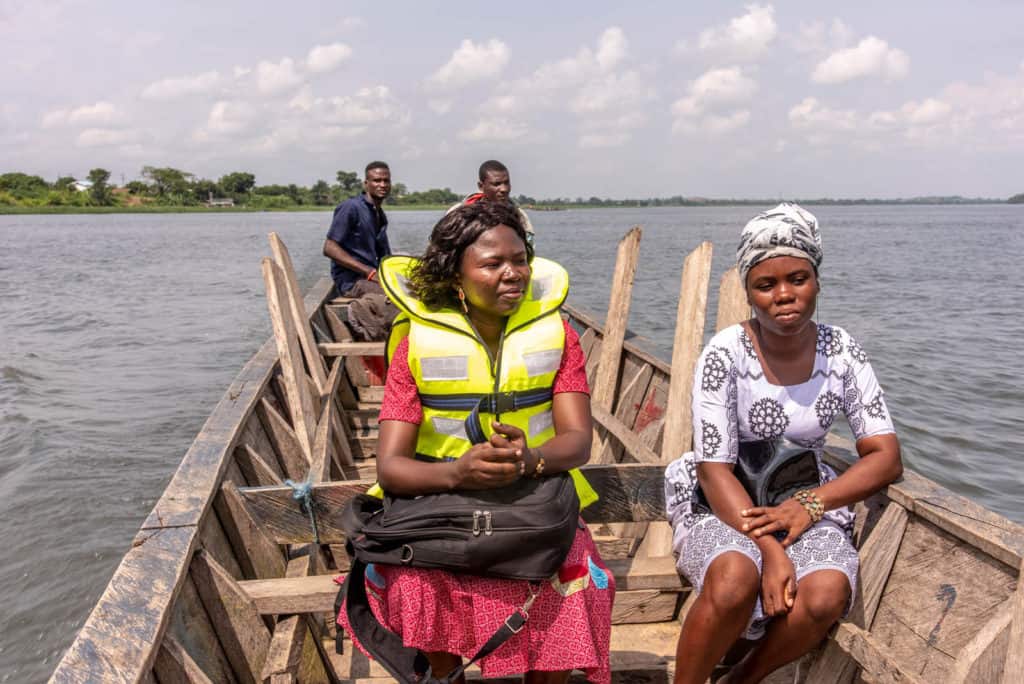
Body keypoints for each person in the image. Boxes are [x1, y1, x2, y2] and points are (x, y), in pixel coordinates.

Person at [338, 201, 614, 684]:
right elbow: (391, 468)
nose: (513, 274)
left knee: (572, 574)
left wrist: (530, 459)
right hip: (439, 499)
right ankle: (446, 675)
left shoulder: (560, 335)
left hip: (534, 497)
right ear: (455, 276)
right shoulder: (412, 342)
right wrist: (458, 472)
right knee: (417, 581)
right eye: (492, 264)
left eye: (520, 260)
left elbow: (577, 442)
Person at [665, 203, 903, 684]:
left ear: (817, 280)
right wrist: (771, 549)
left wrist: (809, 506)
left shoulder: (842, 351)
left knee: (825, 595)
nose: (784, 295)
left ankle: (742, 679)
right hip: (723, 501)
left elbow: (886, 457)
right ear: (749, 293)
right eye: (766, 285)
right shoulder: (725, 354)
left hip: (803, 500)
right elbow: (713, 470)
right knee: (736, 579)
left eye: (798, 279)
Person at [322, 161, 397, 340]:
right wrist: (369, 272)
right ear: (366, 184)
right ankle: (373, 332)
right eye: (376, 180)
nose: (382, 185)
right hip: (352, 281)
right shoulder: (351, 207)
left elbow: (385, 256)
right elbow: (329, 248)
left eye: (386, 181)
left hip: (370, 278)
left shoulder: (378, 213)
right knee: (398, 299)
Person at [448, 160, 535, 246]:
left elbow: (528, 249)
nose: (504, 189)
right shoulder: (457, 213)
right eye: (496, 184)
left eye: (506, 183)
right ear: (481, 186)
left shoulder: (520, 216)